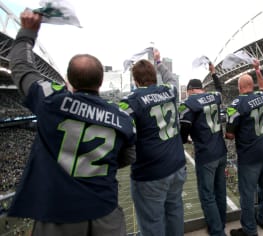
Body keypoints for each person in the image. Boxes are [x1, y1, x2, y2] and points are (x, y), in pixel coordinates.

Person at [7, 10, 136, 236]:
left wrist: (28, 33)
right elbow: (129, 155)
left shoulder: (52, 102)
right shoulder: (122, 117)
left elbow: (21, 68)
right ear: (101, 81)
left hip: (59, 213)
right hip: (104, 210)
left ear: (69, 81)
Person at [119, 50, 186, 236]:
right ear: (155, 77)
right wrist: (159, 62)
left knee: (152, 224)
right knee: (174, 214)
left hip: (151, 172)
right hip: (177, 165)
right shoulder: (169, 91)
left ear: (135, 80)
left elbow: (122, 133)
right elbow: (172, 79)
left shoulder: (131, 101)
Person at [179, 62, 227, 236]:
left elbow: (184, 129)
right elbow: (221, 90)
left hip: (206, 154)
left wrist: (188, 139)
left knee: (207, 196)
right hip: (221, 151)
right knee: (220, 192)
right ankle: (220, 224)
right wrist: (214, 74)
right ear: (201, 88)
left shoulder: (190, 102)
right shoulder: (214, 96)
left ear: (191, 89)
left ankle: (216, 231)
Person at [225, 59, 263, 236]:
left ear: (239, 86)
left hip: (249, 154)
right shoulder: (260, 97)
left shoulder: (236, 105)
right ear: (252, 85)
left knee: (247, 194)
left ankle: (249, 230)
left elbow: (229, 135)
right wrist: (258, 70)